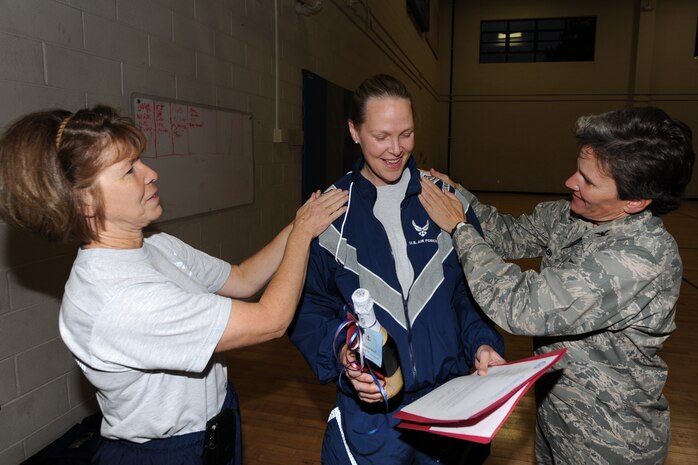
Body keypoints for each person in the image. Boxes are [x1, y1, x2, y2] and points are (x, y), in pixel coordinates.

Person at [0, 105, 348, 465]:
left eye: (141, 161)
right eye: (129, 170)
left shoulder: (155, 245)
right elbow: (270, 320)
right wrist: (303, 235)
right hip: (167, 452)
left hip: (219, 422)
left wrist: (302, 220)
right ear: (85, 202)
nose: (151, 173)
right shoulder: (119, 299)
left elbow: (243, 278)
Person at [418, 106, 695, 465]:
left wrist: (459, 228)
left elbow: (519, 305)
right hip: (556, 418)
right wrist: (460, 199)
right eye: (577, 169)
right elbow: (506, 235)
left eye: (587, 180)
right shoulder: (571, 216)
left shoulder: (641, 259)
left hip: (610, 441)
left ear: (635, 202)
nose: (570, 182)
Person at [287, 74, 504, 465]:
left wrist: (483, 343)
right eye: (381, 136)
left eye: (406, 134)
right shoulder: (329, 215)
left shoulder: (446, 200)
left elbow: (469, 294)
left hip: (451, 402)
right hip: (374, 416)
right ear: (354, 131)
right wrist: (343, 353)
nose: (396, 149)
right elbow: (308, 310)